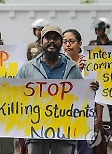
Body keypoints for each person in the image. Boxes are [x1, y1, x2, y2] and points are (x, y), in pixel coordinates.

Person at [17, 25, 99, 154]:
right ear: (41, 41)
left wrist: (91, 90)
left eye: (56, 38)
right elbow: (16, 96)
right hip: (35, 132)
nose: (51, 41)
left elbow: (82, 99)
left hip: (64, 132)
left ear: (61, 42)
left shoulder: (72, 68)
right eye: (48, 38)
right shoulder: (27, 68)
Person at [63, 29, 107, 154]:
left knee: (87, 150)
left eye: (71, 41)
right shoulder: (59, 65)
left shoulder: (91, 64)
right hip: (65, 115)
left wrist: (99, 120)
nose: (68, 45)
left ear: (80, 43)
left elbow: (99, 93)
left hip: (88, 116)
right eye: (65, 41)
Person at [89, 17, 112, 133]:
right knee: (96, 105)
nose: (98, 32)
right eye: (96, 29)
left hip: (110, 78)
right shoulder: (92, 44)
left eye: (100, 29)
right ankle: (96, 126)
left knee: (111, 106)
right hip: (96, 78)